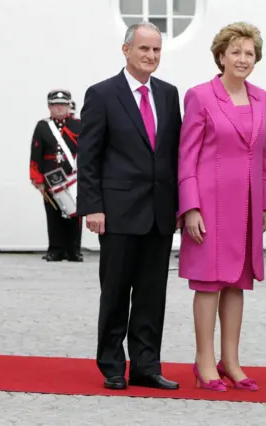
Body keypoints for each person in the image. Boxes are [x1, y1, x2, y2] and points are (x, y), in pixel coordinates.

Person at [76, 22, 183, 391]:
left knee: (153, 295)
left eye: (156, 50)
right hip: (117, 211)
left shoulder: (169, 95)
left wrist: (181, 206)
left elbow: (174, 155)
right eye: (143, 49)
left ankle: (146, 366)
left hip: (159, 213)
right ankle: (110, 365)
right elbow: (88, 156)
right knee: (117, 291)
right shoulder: (103, 94)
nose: (150, 56)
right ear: (126, 50)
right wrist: (93, 206)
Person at [177, 22, 266, 392]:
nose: (243, 59)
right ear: (221, 56)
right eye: (235, 52)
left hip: (247, 206)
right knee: (209, 283)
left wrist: (264, 204)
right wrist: (190, 208)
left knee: (236, 283)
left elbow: (263, 154)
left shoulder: (262, 97)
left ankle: (230, 361)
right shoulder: (200, 96)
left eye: (249, 53)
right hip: (210, 205)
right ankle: (204, 362)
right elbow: (186, 156)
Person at [29, 89, 83, 262]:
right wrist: (37, 179)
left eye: (63, 105)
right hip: (51, 176)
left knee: (75, 214)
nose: (59, 108)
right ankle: (55, 250)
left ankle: (73, 250)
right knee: (53, 213)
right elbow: (36, 153)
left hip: (72, 176)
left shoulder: (79, 125)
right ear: (49, 107)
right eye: (55, 105)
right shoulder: (43, 126)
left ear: (69, 106)